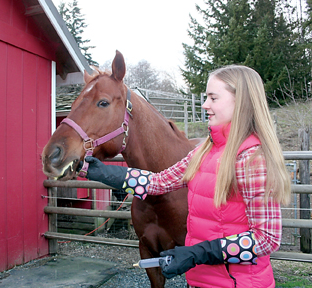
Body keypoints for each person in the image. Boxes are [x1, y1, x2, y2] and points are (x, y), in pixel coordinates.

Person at [84, 65, 291, 288]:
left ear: (240, 101)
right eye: (206, 97)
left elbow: (266, 239)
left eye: (213, 98)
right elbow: (160, 181)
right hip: (203, 281)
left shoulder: (252, 159)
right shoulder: (206, 151)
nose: (205, 105)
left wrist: (198, 253)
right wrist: (107, 173)